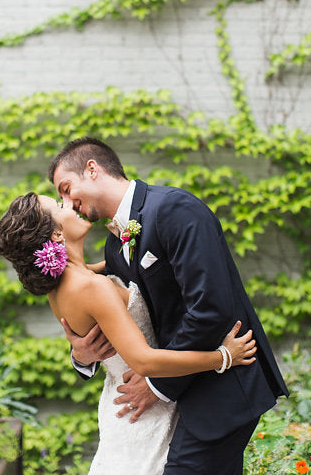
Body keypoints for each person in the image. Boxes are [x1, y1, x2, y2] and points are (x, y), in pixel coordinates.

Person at [49, 137, 288, 475]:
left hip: (221, 387)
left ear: (92, 169)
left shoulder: (175, 209)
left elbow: (210, 309)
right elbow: (115, 307)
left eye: (66, 187)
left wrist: (157, 385)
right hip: (175, 400)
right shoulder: (115, 244)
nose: (67, 202)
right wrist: (81, 356)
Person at [0, 192, 259, 474]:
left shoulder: (63, 285)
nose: (70, 203)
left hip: (121, 404)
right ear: (57, 234)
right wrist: (223, 357)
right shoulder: (91, 288)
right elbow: (144, 362)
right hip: (143, 409)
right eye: (60, 205)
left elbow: (120, 270)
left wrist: (128, 240)